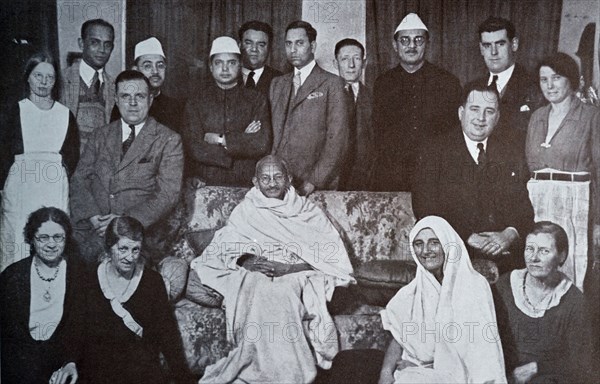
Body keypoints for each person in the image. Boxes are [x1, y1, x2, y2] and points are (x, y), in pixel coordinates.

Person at [191, 155, 355, 383]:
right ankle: (261, 371)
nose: (271, 183)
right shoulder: (246, 210)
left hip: (296, 273)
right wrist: (246, 260)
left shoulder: (307, 211)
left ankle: (289, 375)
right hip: (257, 272)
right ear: (255, 182)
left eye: (278, 177)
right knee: (254, 286)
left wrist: (287, 268)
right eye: (265, 178)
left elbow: (328, 258)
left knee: (281, 293)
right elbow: (224, 245)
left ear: (288, 179)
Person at [412, 82, 534, 274]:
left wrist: (509, 234)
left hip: (504, 253)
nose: (481, 118)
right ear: (461, 113)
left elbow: (524, 207)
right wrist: (467, 236)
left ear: (498, 117)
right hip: (454, 249)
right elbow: (425, 206)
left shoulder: (510, 152)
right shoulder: (435, 151)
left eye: (489, 111)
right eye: (475, 109)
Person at [70, 70, 183, 264]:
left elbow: (167, 194)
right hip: (94, 231)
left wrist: (122, 221)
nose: (132, 103)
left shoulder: (169, 140)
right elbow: (79, 179)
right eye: (125, 96)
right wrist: (93, 216)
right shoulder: (100, 135)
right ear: (116, 99)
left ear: (150, 99)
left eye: (139, 96)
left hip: (140, 235)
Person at [378, 216, 506, 383]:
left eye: (434, 242)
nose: (425, 251)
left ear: (447, 245)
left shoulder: (474, 286)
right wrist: (386, 374)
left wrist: (430, 370)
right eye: (418, 244)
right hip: (414, 373)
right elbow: (399, 336)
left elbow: (482, 355)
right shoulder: (410, 292)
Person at [79, 216, 193, 384]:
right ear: (109, 248)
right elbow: (77, 330)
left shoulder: (152, 282)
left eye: (135, 250)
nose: (130, 257)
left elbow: (168, 335)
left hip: (140, 371)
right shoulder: (89, 279)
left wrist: (184, 379)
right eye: (123, 249)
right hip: (98, 370)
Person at [526, 52, 600, 291]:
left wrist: (598, 220)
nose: (550, 85)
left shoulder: (591, 116)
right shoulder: (537, 117)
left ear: (571, 80)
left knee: (569, 271)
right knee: (539, 266)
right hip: (539, 205)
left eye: (556, 78)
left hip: (575, 206)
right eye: (544, 79)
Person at [0, 53, 80, 272]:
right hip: (21, 187)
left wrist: (55, 175)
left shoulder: (65, 115)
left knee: (51, 238)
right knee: (18, 244)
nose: (44, 82)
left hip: (53, 187)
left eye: (50, 77)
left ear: (56, 81)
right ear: (28, 77)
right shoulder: (15, 111)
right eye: (38, 76)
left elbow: (72, 156)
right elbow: (4, 152)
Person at [493, 221, 597, 383]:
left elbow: (581, 364)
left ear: (561, 256)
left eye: (544, 251)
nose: (534, 258)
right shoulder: (504, 287)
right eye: (529, 249)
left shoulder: (573, 301)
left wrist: (537, 367)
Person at [372, 13, 462, 191]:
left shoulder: (447, 82)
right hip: (391, 176)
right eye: (405, 40)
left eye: (418, 40)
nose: (411, 46)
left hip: (436, 175)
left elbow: (455, 132)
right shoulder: (383, 83)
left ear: (427, 44)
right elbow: (378, 133)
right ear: (395, 45)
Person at [1, 207, 88, 384]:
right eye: (43, 237)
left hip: (63, 365)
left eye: (58, 237)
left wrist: (71, 362)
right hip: (20, 367)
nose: (51, 244)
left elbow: (81, 327)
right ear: (32, 239)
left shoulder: (79, 274)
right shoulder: (12, 276)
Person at [270, 20, 351, 195]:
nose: (293, 49)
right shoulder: (277, 84)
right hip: (277, 182)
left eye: (299, 43)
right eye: (288, 43)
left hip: (314, 186)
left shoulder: (332, 83)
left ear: (312, 46)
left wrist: (314, 181)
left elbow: (338, 140)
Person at [182, 36, 271, 187]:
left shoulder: (256, 100)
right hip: (206, 182)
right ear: (210, 66)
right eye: (218, 63)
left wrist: (220, 140)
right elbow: (193, 146)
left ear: (240, 65)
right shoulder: (196, 101)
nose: (225, 69)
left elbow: (261, 143)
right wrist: (241, 142)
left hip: (245, 182)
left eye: (231, 63)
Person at [473, 16, 542, 148]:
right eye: (487, 46)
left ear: (514, 44)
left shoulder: (535, 88)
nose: (493, 52)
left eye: (500, 44)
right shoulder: (472, 88)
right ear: (481, 49)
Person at [59, 19, 115, 151]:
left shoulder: (115, 87)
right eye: (94, 42)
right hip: (68, 165)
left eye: (107, 45)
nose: (102, 50)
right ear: (81, 43)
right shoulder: (60, 80)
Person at [111, 37, 185, 133]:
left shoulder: (175, 108)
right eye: (148, 66)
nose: (155, 71)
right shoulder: (125, 104)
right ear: (135, 70)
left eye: (160, 65)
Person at [334, 38, 374, 191]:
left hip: (363, 179)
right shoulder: (324, 96)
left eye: (356, 59)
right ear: (335, 63)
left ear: (363, 63)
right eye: (344, 59)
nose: (351, 65)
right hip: (330, 180)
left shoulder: (373, 97)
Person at [238, 20, 283, 96]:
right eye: (249, 43)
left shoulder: (281, 80)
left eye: (261, 45)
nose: (254, 49)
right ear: (239, 45)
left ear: (269, 49)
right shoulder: (228, 76)